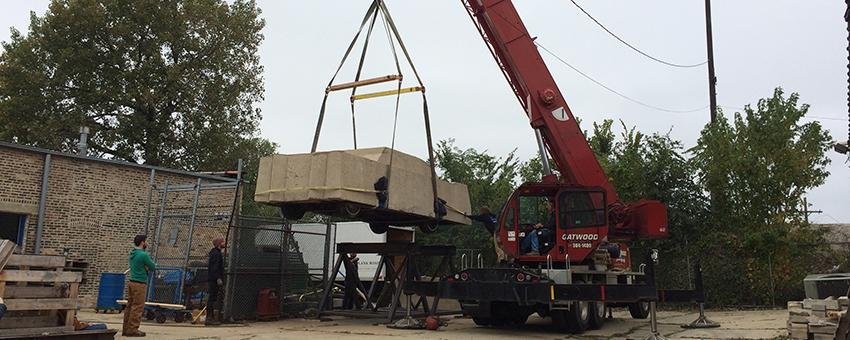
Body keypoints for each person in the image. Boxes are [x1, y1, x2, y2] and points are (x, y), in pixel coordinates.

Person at [123, 235, 156, 337]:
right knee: (137, 307)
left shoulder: (132, 253)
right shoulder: (143, 255)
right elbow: (153, 267)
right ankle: (133, 329)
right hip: (140, 283)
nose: (146, 243)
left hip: (131, 282)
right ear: (142, 242)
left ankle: (126, 328)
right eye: (145, 241)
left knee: (129, 305)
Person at [206, 237, 226, 325]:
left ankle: (212, 317)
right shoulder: (216, 254)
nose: (224, 243)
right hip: (214, 279)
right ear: (219, 244)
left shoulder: (215, 253)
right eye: (222, 242)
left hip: (213, 278)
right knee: (212, 298)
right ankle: (209, 318)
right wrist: (218, 278)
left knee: (213, 298)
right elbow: (215, 267)